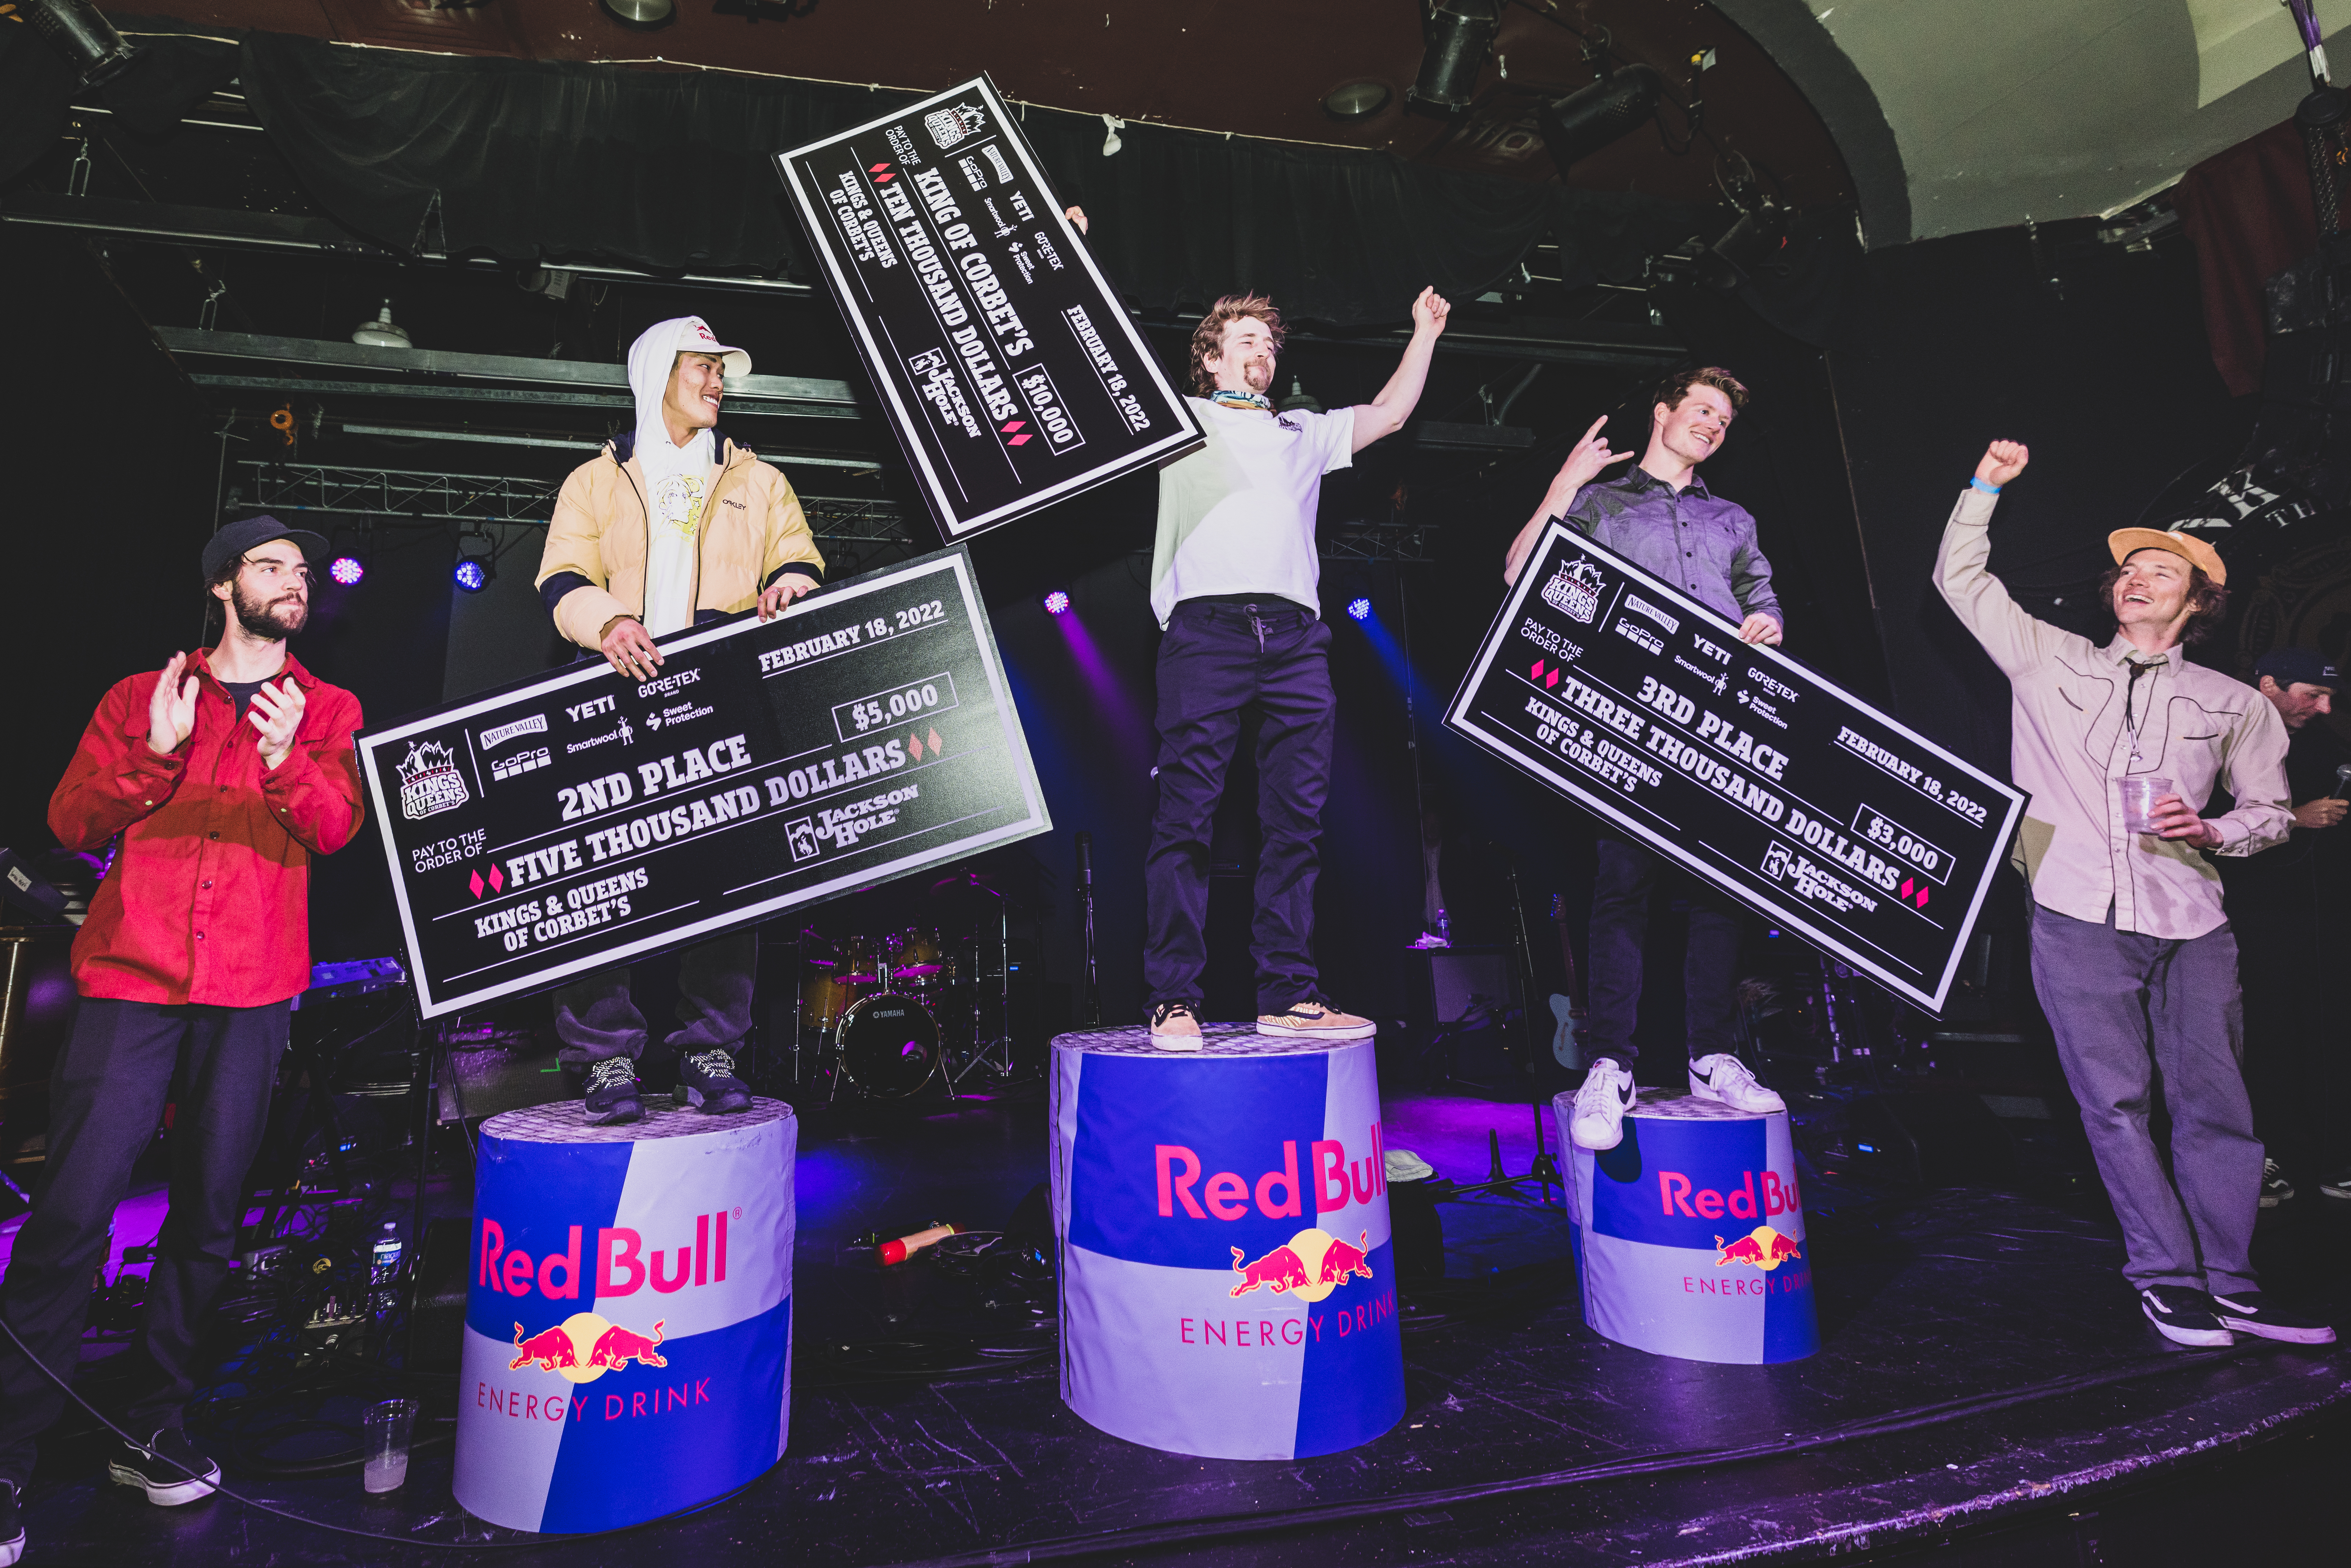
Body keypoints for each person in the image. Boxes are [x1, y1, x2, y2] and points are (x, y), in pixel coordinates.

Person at [0, 517, 365, 1556]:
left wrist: (292, 757)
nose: (294, 581)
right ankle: (6, 1453)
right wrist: (153, 756)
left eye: (302, 569)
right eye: (271, 565)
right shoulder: (139, 696)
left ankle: (149, 1426)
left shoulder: (329, 709)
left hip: (251, 991)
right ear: (222, 585)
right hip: (134, 980)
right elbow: (71, 822)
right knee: (73, 1211)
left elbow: (334, 829)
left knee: (207, 1218)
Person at [1936, 439, 2332, 1347]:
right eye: (2129, 569)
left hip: (2192, 921)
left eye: (2162, 570)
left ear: (2199, 600)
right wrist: (1983, 489)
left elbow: (2272, 812)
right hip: (2077, 915)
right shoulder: (2049, 660)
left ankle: (2234, 1281)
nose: (2137, 579)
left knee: (2217, 1108)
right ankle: (2167, 1276)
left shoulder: (2238, 704)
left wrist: (2214, 830)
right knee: (2113, 1106)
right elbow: (1962, 581)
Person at [535, 315, 826, 1123]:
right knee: (597, 879)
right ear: (657, 371)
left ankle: (710, 1047)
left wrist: (792, 585)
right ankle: (603, 1057)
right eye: (702, 365)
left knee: (729, 871)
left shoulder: (759, 478)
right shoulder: (594, 481)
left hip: (719, 687)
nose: (717, 379)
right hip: (614, 692)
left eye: (720, 368)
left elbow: (797, 555)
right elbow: (561, 577)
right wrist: (608, 624)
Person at [1142, 288, 1449, 1047]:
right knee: (1187, 819)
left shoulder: (1300, 433)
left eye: (1271, 345)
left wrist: (1425, 333)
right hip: (1206, 628)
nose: (1263, 352)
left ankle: (1289, 993)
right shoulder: (1180, 418)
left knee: (1296, 823)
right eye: (1245, 340)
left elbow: (1390, 414)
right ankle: (1174, 997)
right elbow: (1096, 367)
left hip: (1295, 637)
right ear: (1211, 358)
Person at [1501, 367, 1790, 1150]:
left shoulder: (1733, 517)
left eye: (1724, 419)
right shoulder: (1601, 504)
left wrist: (1766, 623)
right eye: (1701, 409)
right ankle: (1610, 1065)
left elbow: (1760, 597)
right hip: (1632, 725)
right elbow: (1521, 570)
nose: (1712, 424)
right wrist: (1568, 477)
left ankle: (1714, 1056)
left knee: (1721, 893)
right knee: (1623, 888)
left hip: (1717, 726)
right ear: (1664, 413)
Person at [2216, 648, 2345, 1207]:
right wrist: (2295, 819)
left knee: (2325, 1035)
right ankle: (2257, 1159)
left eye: (2330, 699)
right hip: (2251, 918)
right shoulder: (2222, 732)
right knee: (2258, 1037)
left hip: (2321, 922)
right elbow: (2202, 824)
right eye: (2312, 694)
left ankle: (2331, 1157)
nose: (2322, 708)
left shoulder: (2326, 746)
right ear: (2268, 684)